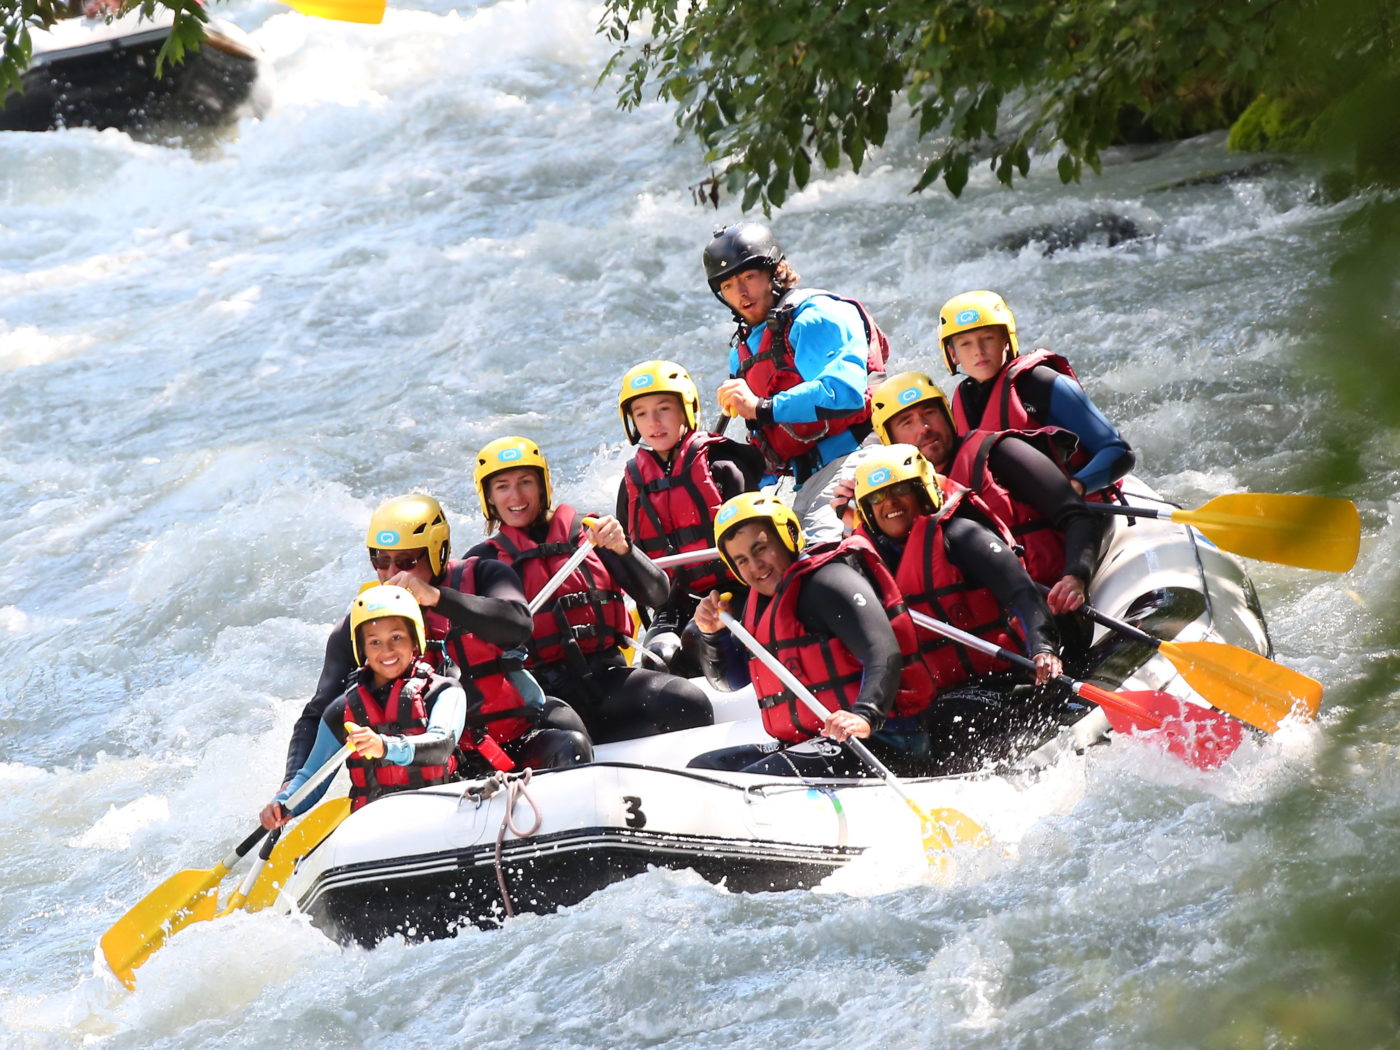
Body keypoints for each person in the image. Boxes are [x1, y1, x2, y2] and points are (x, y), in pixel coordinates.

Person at [278, 494, 592, 796]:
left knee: (570, 739)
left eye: (406, 561)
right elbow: (319, 711)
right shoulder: (364, 623)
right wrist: (290, 785)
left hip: (515, 739)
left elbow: (518, 625)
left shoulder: (485, 574)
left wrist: (436, 598)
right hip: (435, 764)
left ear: (437, 551)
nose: (391, 575)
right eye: (380, 560)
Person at [466, 436, 714, 745]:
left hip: (606, 678)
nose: (516, 495)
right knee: (570, 740)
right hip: (541, 697)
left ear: (542, 485)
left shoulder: (590, 534)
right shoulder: (481, 564)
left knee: (688, 702)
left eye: (525, 482)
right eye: (502, 486)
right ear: (488, 497)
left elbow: (658, 595)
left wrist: (624, 549)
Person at [849, 444, 1077, 771]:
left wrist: (1042, 647)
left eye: (899, 490)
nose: (890, 504)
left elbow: (1023, 594)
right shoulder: (866, 566)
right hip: (946, 695)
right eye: (877, 498)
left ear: (922, 492)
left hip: (1011, 678)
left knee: (949, 718)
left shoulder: (961, 535)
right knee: (930, 721)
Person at [687, 492, 938, 778]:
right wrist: (714, 637)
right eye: (742, 560)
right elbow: (732, 682)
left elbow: (883, 650)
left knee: (749, 781)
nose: (755, 566)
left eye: (760, 549)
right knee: (702, 772)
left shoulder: (828, 582)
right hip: (810, 741)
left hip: (881, 740)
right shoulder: (761, 605)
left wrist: (865, 715)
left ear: (789, 535)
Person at [867, 371, 1101, 628]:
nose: (924, 428)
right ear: (889, 439)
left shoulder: (1000, 453)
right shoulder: (897, 503)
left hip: (1056, 606)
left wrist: (1075, 577)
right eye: (906, 422)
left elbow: (1077, 516)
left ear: (946, 413)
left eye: (929, 413)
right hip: (993, 633)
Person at [703, 221, 889, 542]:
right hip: (808, 480)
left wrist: (761, 407)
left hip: (858, 460)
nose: (742, 293)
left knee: (820, 557)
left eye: (749, 277)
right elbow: (767, 441)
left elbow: (845, 392)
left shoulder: (813, 316)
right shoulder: (744, 350)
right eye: (729, 286)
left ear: (774, 273)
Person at [261, 585, 470, 826]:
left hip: (441, 811)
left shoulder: (444, 691)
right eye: (375, 642)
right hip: (375, 824)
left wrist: (384, 746)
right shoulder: (342, 710)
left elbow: (441, 744)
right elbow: (312, 778)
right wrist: (284, 803)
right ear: (362, 649)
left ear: (415, 639)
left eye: (396, 637)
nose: (387, 650)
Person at [615, 359, 764, 674]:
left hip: (736, 593)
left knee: (699, 638)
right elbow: (628, 560)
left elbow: (763, 543)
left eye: (663, 409)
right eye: (641, 414)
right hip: (675, 604)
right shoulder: (631, 484)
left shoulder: (723, 467)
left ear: (686, 409)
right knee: (658, 658)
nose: (653, 422)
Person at [939, 290, 1135, 498]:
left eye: (987, 338)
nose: (978, 350)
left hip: (1076, 512)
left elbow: (1120, 452)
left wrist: (1075, 487)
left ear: (1006, 340)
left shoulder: (1042, 384)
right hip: (1014, 518)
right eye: (965, 343)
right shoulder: (963, 400)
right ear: (953, 354)